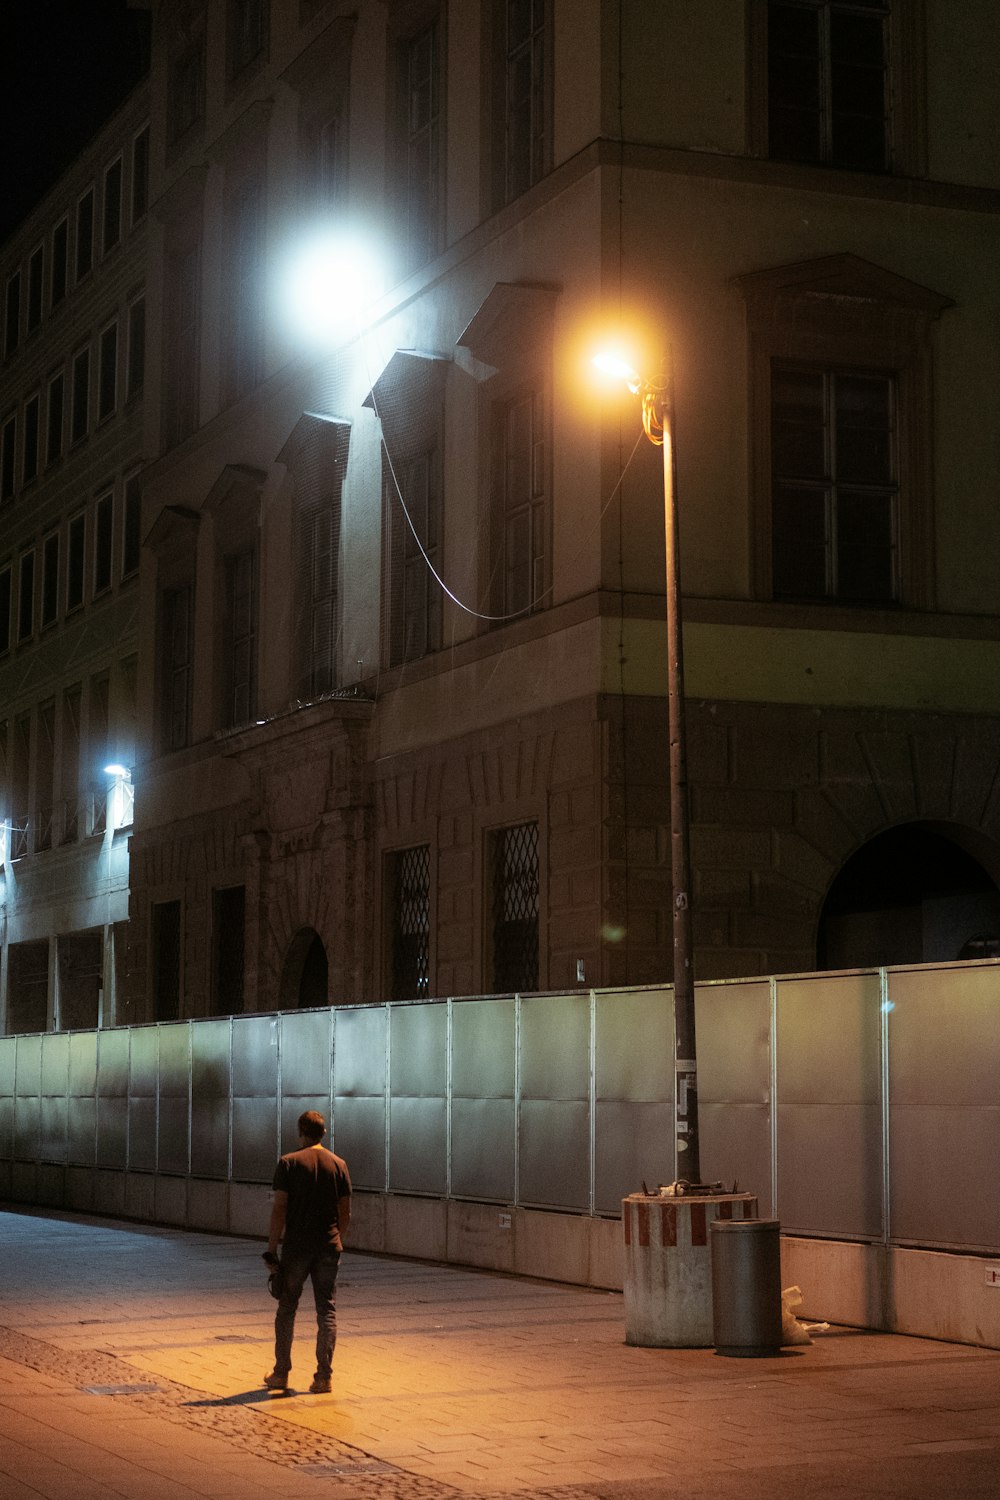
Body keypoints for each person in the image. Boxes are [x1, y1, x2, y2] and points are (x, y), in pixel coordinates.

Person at [262, 1109, 351, 1394]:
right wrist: (338, 1240)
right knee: (327, 1310)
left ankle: (281, 1373)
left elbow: (279, 1209)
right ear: (324, 1133)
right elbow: (345, 1211)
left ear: (300, 1132)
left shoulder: (288, 1163)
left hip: (297, 1248)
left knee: (287, 1308)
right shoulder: (339, 1165)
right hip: (328, 1247)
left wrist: (271, 1248)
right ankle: (323, 1377)